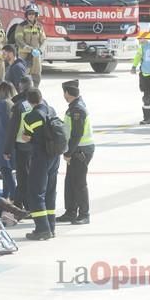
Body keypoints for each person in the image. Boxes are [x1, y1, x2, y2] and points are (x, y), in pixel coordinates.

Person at [21, 88, 58, 240]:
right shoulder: (51, 110)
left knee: (36, 193)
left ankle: (42, 229)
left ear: (29, 102)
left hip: (41, 157)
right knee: (50, 192)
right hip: (55, 156)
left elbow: (26, 137)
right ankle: (51, 227)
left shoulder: (31, 116)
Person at [57, 80, 94, 225]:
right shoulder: (75, 106)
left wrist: (68, 153)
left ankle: (84, 214)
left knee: (79, 183)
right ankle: (71, 211)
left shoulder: (77, 109)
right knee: (70, 181)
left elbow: (77, 134)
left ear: (67, 93)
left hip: (80, 150)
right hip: (77, 149)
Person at [4, 76, 35, 209]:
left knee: (23, 177)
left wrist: (7, 150)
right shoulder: (40, 102)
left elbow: (12, 129)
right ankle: (24, 203)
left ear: (20, 88)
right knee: (33, 176)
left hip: (22, 146)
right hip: (37, 146)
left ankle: (23, 204)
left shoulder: (19, 106)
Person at [15, 4, 46, 87]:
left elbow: (43, 41)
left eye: (33, 14)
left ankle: (35, 93)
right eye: (29, 14)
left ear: (36, 15)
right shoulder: (21, 26)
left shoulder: (39, 26)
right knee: (23, 76)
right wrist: (30, 49)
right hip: (24, 56)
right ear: (26, 15)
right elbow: (19, 40)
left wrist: (40, 50)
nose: (31, 15)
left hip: (36, 56)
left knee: (36, 75)